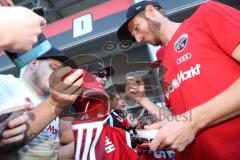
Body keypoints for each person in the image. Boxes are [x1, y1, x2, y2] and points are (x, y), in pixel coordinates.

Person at [117, 1, 240, 160]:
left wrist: (192, 123)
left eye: (136, 28)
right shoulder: (162, 65)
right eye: (134, 36)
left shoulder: (206, 16)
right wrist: (143, 100)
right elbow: (178, 120)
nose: (138, 38)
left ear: (151, 11)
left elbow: (188, 122)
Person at [0, 47, 83, 159]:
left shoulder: (54, 112)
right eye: (54, 67)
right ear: (33, 63)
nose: (59, 76)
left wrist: (87, 140)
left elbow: (52, 154)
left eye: (63, 75)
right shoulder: (7, 83)